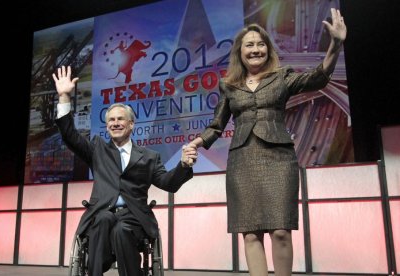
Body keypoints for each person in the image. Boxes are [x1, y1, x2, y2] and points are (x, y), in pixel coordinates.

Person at [188, 8, 346, 276]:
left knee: (281, 230)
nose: (255, 49)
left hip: (279, 159)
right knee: (250, 234)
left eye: (261, 44)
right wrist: (196, 143)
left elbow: (317, 78)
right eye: (249, 45)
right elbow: (217, 125)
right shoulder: (229, 86)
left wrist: (335, 44)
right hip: (243, 160)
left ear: (268, 49)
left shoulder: (282, 76)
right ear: (240, 51)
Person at [52, 65, 198, 276]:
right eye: (111, 120)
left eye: (120, 119)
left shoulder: (149, 156)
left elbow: (169, 183)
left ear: (131, 124)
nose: (115, 123)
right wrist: (64, 96)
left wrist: (183, 165)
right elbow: (69, 135)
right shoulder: (97, 149)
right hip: (102, 213)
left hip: (134, 217)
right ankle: (97, 269)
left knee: (122, 229)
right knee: (104, 219)